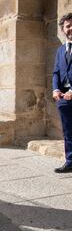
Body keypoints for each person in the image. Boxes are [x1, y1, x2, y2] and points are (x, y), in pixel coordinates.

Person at [53, 13, 72, 173]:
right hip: (64, 98)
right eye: (68, 26)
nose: (71, 28)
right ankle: (70, 161)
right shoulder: (60, 50)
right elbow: (56, 73)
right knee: (68, 131)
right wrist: (55, 89)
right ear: (63, 29)